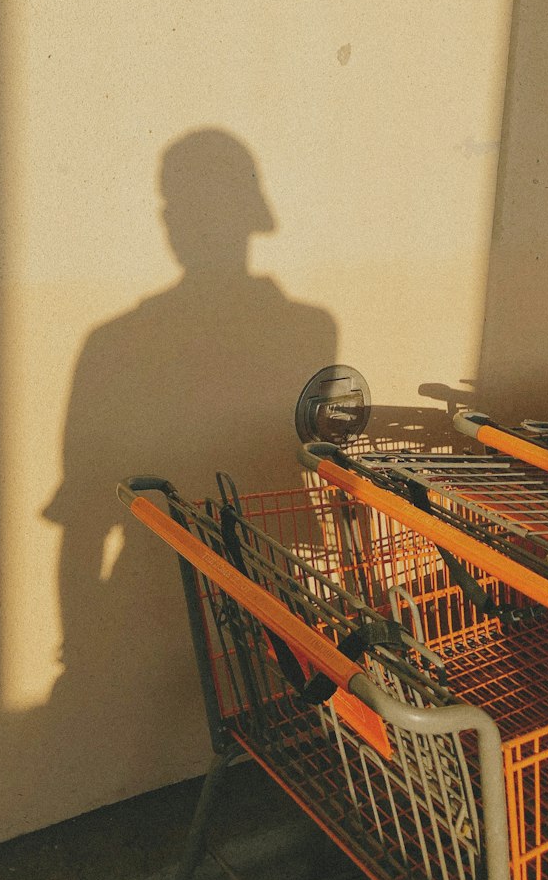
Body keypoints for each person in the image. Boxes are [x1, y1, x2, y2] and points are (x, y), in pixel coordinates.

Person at [43, 129, 337, 795]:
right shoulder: (118, 343)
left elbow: (81, 527)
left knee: (300, 700)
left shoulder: (308, 327)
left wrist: (77, 643)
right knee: (289, 708)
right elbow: (83, 519)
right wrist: (82, 645)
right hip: (260, 563)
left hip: (283, 571)